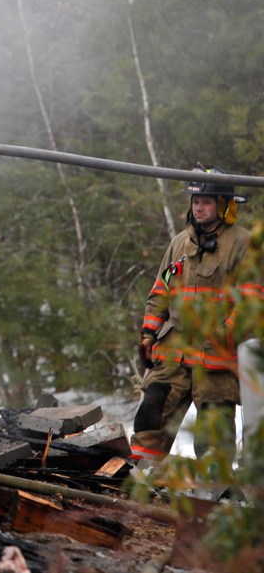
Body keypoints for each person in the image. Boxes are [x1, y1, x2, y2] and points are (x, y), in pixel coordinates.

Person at [130, 164, 254, 466]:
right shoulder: (180, 243)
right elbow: (161, 291)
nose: (199, 208)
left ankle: (214, 491)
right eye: (195, 202)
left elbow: (253, 297)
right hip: (174, 348)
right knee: (151, 413)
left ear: (223, 206)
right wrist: (148, 334)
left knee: (214, 428)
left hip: (216, 352)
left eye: (206, 202)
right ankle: (141, 478)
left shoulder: (242, 243)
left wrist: (226, 331)